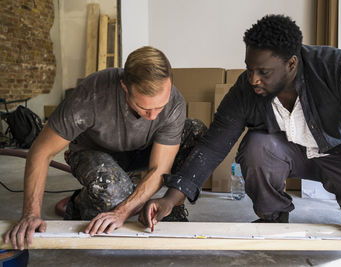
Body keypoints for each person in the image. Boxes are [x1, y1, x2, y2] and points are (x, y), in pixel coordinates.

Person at [139, 15, 341, 249]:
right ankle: (273, 217)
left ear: (291, 64)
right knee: (257, 146)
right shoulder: (246, 90)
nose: (253, 79)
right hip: (291, 155)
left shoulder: (338, 69)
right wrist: (171, 199)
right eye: (249, 68)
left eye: (263, 72)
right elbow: (213, 145)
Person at [5, 46, 207, 250]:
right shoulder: (92, 95)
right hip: (93, 152)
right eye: (144, 108)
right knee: (114, 191)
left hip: (141, 151)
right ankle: (79, 205)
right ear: (125, 87)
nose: (154, 116)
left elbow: (159, 170)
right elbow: (41, 151)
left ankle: (169, 207)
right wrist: (30, 214)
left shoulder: (174, 102)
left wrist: (123, 213)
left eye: (160, 107)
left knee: (196, 131)